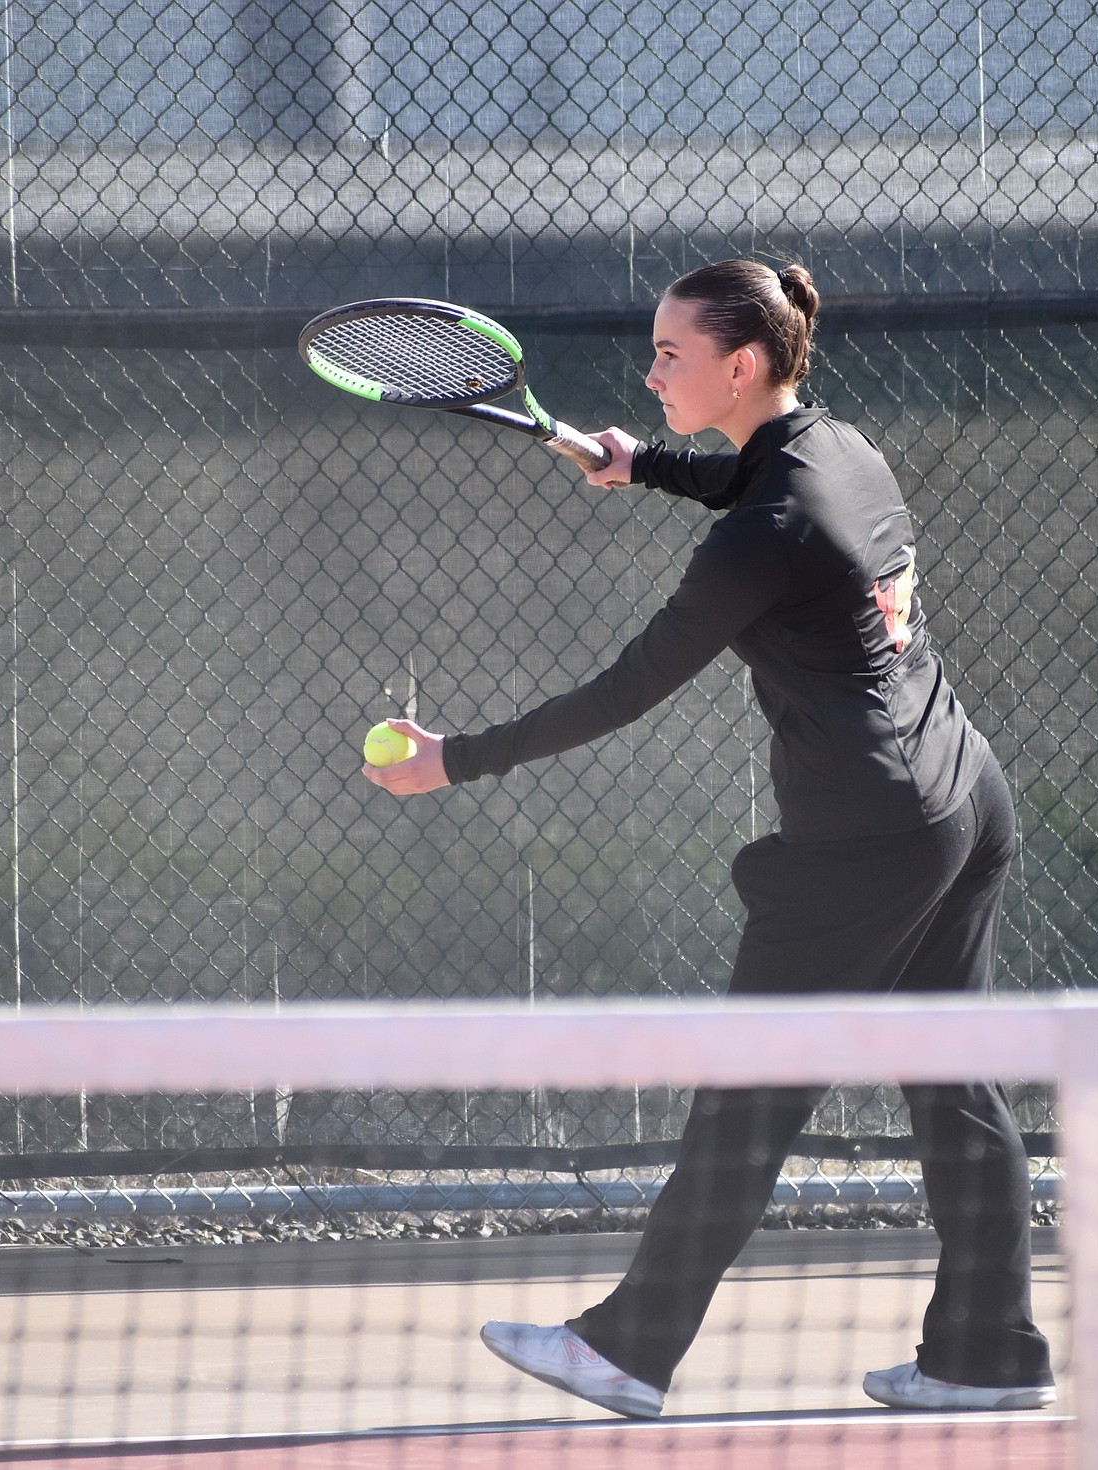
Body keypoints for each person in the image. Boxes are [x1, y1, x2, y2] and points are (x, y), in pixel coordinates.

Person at [362, 258, 1055, 1417]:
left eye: (670, 355)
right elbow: (756, 483)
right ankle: (987, 1353)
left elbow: (626, 688)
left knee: (748, 1096)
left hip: (868, 840)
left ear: (740, 366)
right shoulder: (841, 449)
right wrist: (642, 462)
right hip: (965, 800)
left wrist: (455, 757)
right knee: (957, 1087)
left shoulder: (759, 535)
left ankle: (629, 1347)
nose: (648, 371)